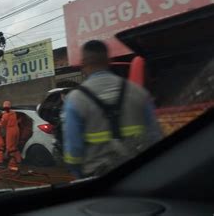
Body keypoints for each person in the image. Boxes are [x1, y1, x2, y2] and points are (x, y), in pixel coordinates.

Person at [62, 40, 162, 179]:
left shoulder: (75, 100)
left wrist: (80, 176)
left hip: (96, 178)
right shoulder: (139, 92)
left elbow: (73, 151)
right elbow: (155, 136)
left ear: (83, 63)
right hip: (140, 176)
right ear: (109, 60)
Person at [0, 101, 22, 171]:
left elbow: (2, 125)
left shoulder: (5, 115)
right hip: (16, 129)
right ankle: (19, 161)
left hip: (10, 131)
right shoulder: (14, 113)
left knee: (10, 147)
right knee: (15, 146)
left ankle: (12, 165)